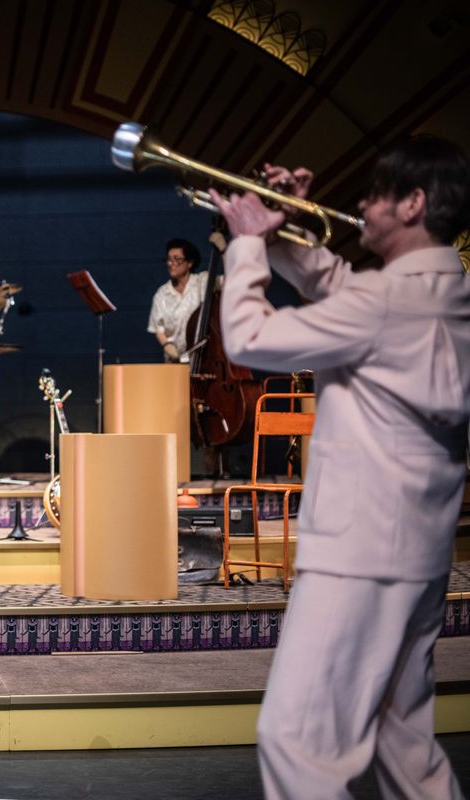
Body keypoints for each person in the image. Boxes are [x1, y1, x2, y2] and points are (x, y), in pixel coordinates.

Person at [210, 136, 470, 799]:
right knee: (402, 746)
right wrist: (285, 232)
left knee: (295, 743)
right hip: (418, 551)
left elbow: (249, 338)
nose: (361, 204)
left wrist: (248, 243)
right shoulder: (447, 290)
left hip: (357, 552)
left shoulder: (383, 302)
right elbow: (343, 287)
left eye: (377, 194)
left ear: (413, 204)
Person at [147, 238, 207, 362]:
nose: (170, 263)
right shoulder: (162, 294)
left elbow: (230, 281)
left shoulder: (202, 282)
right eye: (169, 259)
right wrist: (167, 345)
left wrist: (223, 252)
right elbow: (158, 328)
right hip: (175, 360)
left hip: (203, 358)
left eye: (177, 259)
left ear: (189, 263)